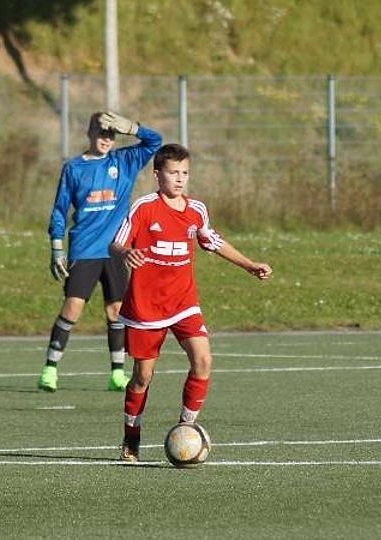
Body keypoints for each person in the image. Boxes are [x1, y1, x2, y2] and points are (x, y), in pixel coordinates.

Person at [109, 143, 273, 462]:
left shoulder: (196, 210)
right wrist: (126, 252)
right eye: (173, 172)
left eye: (185, 172)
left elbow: (213, 241)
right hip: (146, 307)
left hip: (184, 301)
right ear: (157, 175)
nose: (180, 178)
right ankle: (131, 434)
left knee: (203, 360)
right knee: (142, 377)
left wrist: (249, 265)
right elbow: (115, 244)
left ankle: (186, 428)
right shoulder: (144, 208)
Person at [38, 111, 162, 392]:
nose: (106, 139)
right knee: (73, 306)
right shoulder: (73, 168)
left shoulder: (124, 161)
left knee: (116, 311)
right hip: (84, 249)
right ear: (89, 133)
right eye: (101, 132)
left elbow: (155, 141)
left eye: (111, 133)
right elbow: (59, 210)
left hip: (116, 251)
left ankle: (116, 374)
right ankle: (49, 369)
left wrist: (132, 128)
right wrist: (57, 247)